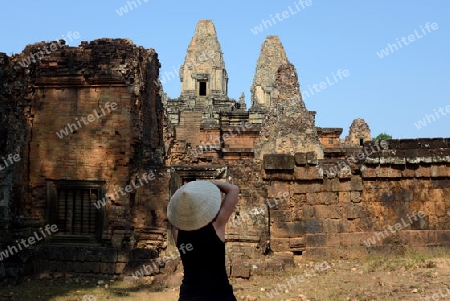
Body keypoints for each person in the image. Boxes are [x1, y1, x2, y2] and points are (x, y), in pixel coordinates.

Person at [167, 180, 239, 301]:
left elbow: (174, 212)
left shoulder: (177, 232)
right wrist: (205, 184)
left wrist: (187, 191)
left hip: (189, 295)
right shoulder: (216, 226)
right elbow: (233, 189)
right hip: (219, 294)